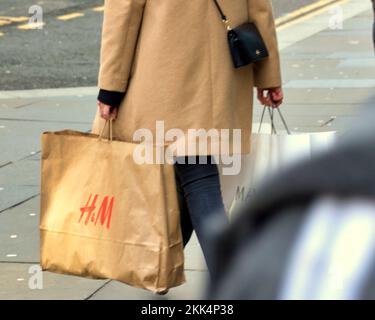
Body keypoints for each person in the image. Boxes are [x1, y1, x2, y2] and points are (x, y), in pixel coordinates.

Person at [91, 0, 283, 293]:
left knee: (195, 170)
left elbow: (125, 11)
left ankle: (231, 278)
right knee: (191, 166)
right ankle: (162, 266)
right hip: (221, 65)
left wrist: (111, 85)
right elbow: (258, 6)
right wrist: (268, 75)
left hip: (163, 68)